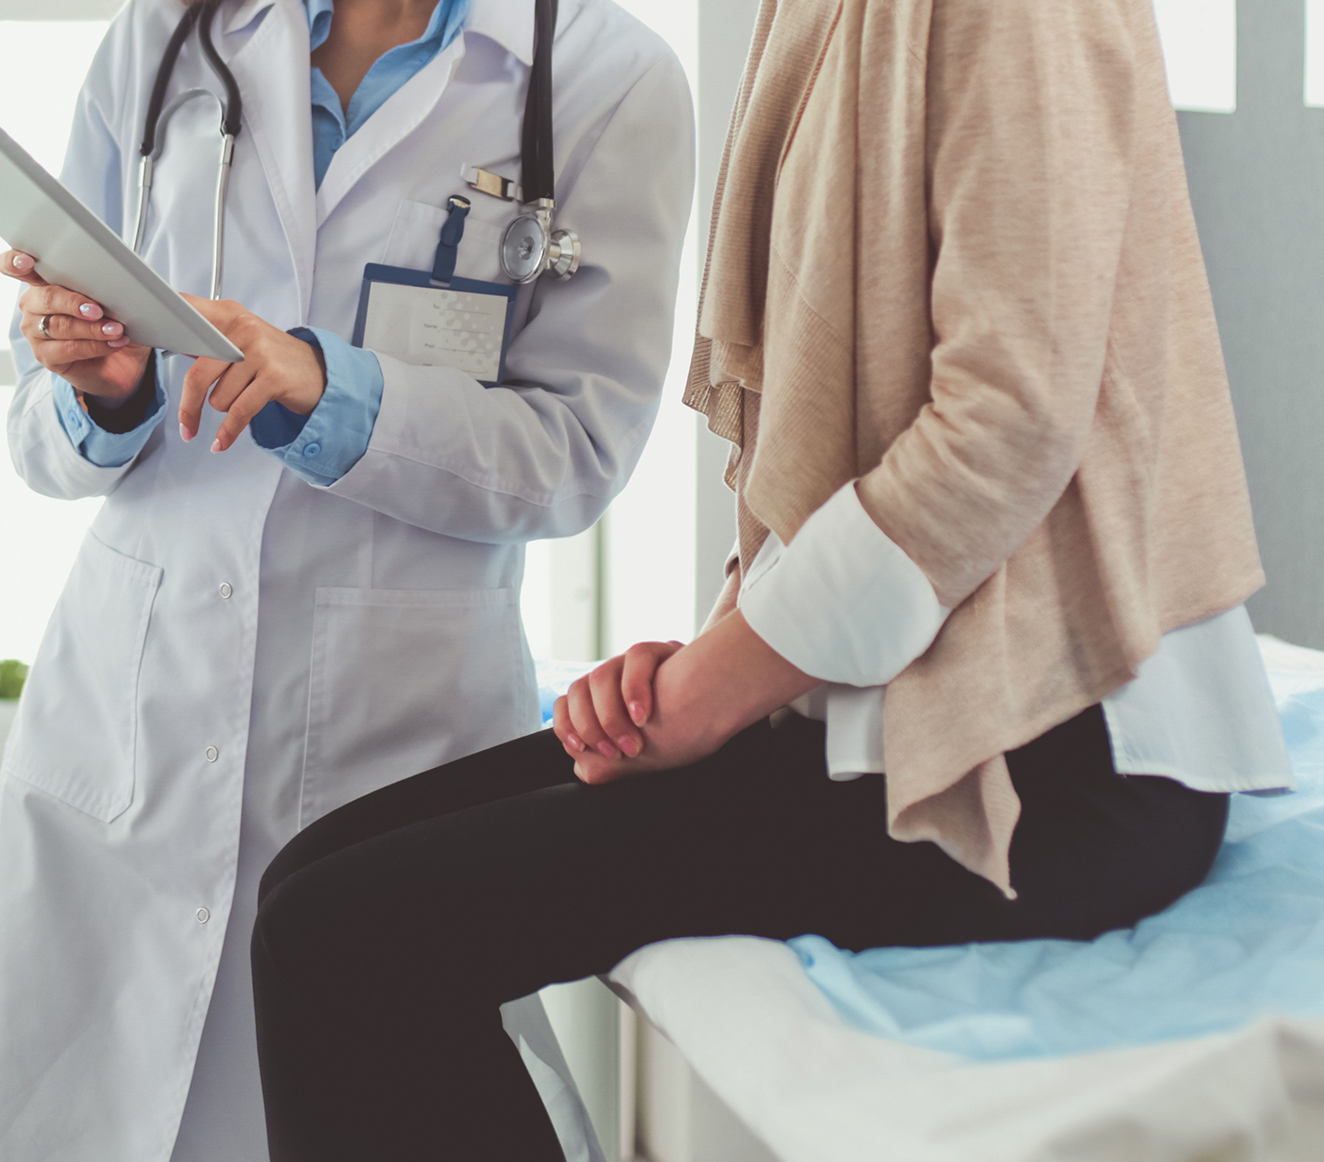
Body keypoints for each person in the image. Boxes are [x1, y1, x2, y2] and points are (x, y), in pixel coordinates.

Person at [246, 0, 1298, 1158]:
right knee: (310, 884)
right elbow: (845, 432)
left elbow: (1004, 426)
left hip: (1050, 751)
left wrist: (717, 693)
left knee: (338, 936)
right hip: (879, 690)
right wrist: (722, 650)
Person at [0, 1, 693, 1159]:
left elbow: (576, 457)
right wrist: (103, 387)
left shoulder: (603, 75)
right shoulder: (164, 38)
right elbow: (38, 424)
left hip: (397, 739)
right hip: (132, 721)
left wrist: (330, 392)